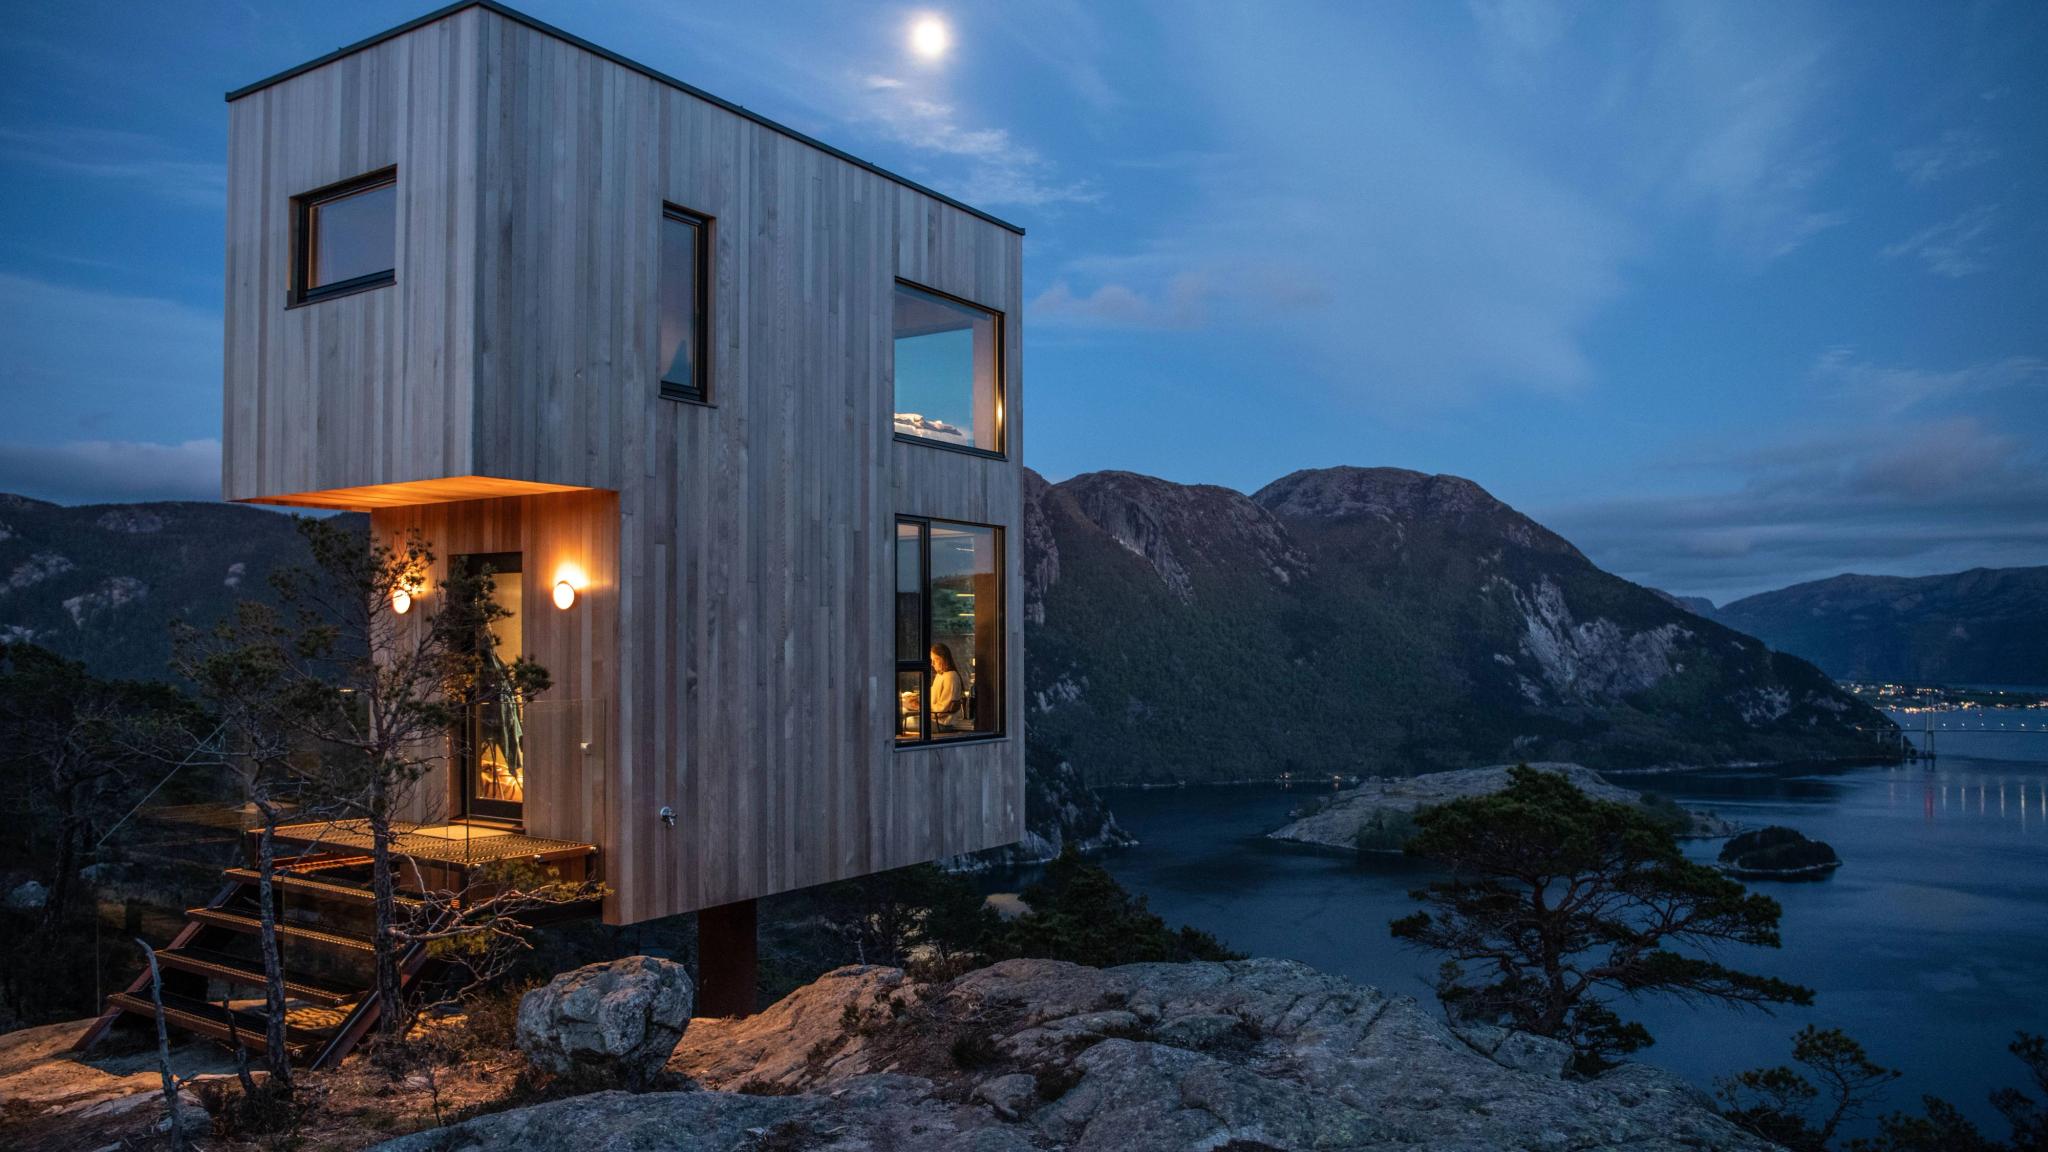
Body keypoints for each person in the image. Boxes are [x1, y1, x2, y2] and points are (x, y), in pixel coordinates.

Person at [929, 642, 968, 729]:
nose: (932, 664)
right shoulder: (940, 675)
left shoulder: (950, 677)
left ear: (942, 659)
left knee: (905, 720)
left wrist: (924, 708)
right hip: (935, 718)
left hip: (943, 723)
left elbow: (944, 708)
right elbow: (933, 698)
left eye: (934, 660)